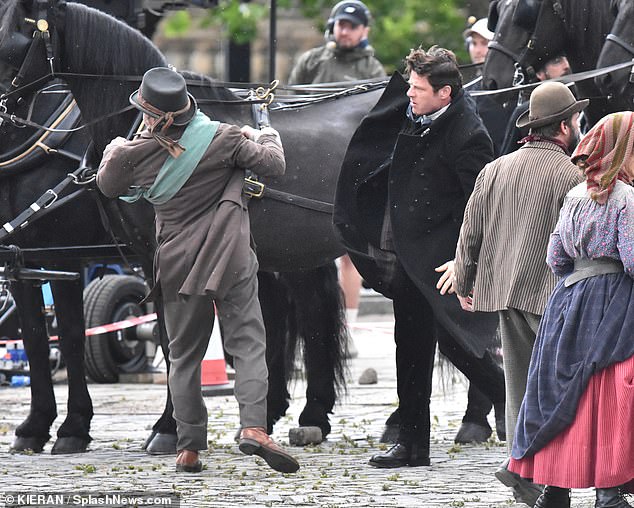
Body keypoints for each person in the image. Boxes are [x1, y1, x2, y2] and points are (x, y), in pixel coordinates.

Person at [96, 67, 300, 474]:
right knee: (247, 344)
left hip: (178, 264)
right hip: (233, 258)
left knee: (183, 355)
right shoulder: (225, 137)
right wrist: (263, 132)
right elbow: (275, 165)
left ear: (157, 117)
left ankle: (188, 447)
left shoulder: (131, 155)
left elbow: (106, 185)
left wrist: (113, 149)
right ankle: (254, 428)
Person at [334, 46, 505, 468]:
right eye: (409, 86)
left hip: (444, 265)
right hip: (411, 261)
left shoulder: (469, 134)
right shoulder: (418, 118)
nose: (409, 94)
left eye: (418, 88)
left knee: (459, 348)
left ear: (444, 93)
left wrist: (467, 265)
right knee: (408, 350)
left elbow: (478, 208)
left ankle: (515, 403)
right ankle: (412, 445)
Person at [440, 81, 587, 505]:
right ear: (562, 126)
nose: (577, 125)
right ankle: (538, 474)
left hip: (505, 295)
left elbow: (471, 232)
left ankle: (524, 468)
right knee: (560, 390)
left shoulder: (495, 169)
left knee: (521, 389)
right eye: (575, 119)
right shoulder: (572, 175)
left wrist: (465, 282)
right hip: (553, 297)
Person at [507, 111, 634, 508]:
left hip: (568, 299)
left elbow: (555, 257)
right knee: (608, 391)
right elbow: (633, 260)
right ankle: (609, 492)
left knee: (562, 389)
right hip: (614, 301)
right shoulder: (626, 198)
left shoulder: (575, 195)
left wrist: (580, 276)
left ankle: (555, 489)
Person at [288, 0, 385, 354]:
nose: (344, 30)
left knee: (348, 251)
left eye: (351, 25)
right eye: (340, 24)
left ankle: (347, 329)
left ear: (363, 30)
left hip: (348, 165)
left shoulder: (372, 68)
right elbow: (288, 105)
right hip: (307, 167)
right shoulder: (312, 62)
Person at [288, 0, 384, 85]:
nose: (345, 32)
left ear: (365, 31)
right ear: (332, 27)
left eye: (353, 27)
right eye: (341, 25)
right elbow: (292, 100)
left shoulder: (373, 70)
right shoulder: (310, 60)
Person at [500, 55, 572, 155]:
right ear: (539, 73)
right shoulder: (525, 111)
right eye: (557, 61)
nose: (567, 65)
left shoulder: (583, 102)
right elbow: (506, 160)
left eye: (568, 59)